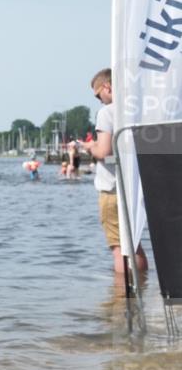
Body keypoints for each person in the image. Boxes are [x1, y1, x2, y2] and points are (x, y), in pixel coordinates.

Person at [80, 68, 148, 274]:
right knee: (134, 243)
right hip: (136, 186)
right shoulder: (140, 109)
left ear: (107, 87)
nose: (99, 100)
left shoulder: (107, 112)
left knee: (119, 248)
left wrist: (89, 147)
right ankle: (142, 290)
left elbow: (105, 151)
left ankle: (119, 297)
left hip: (112, 188)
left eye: (97, 95)